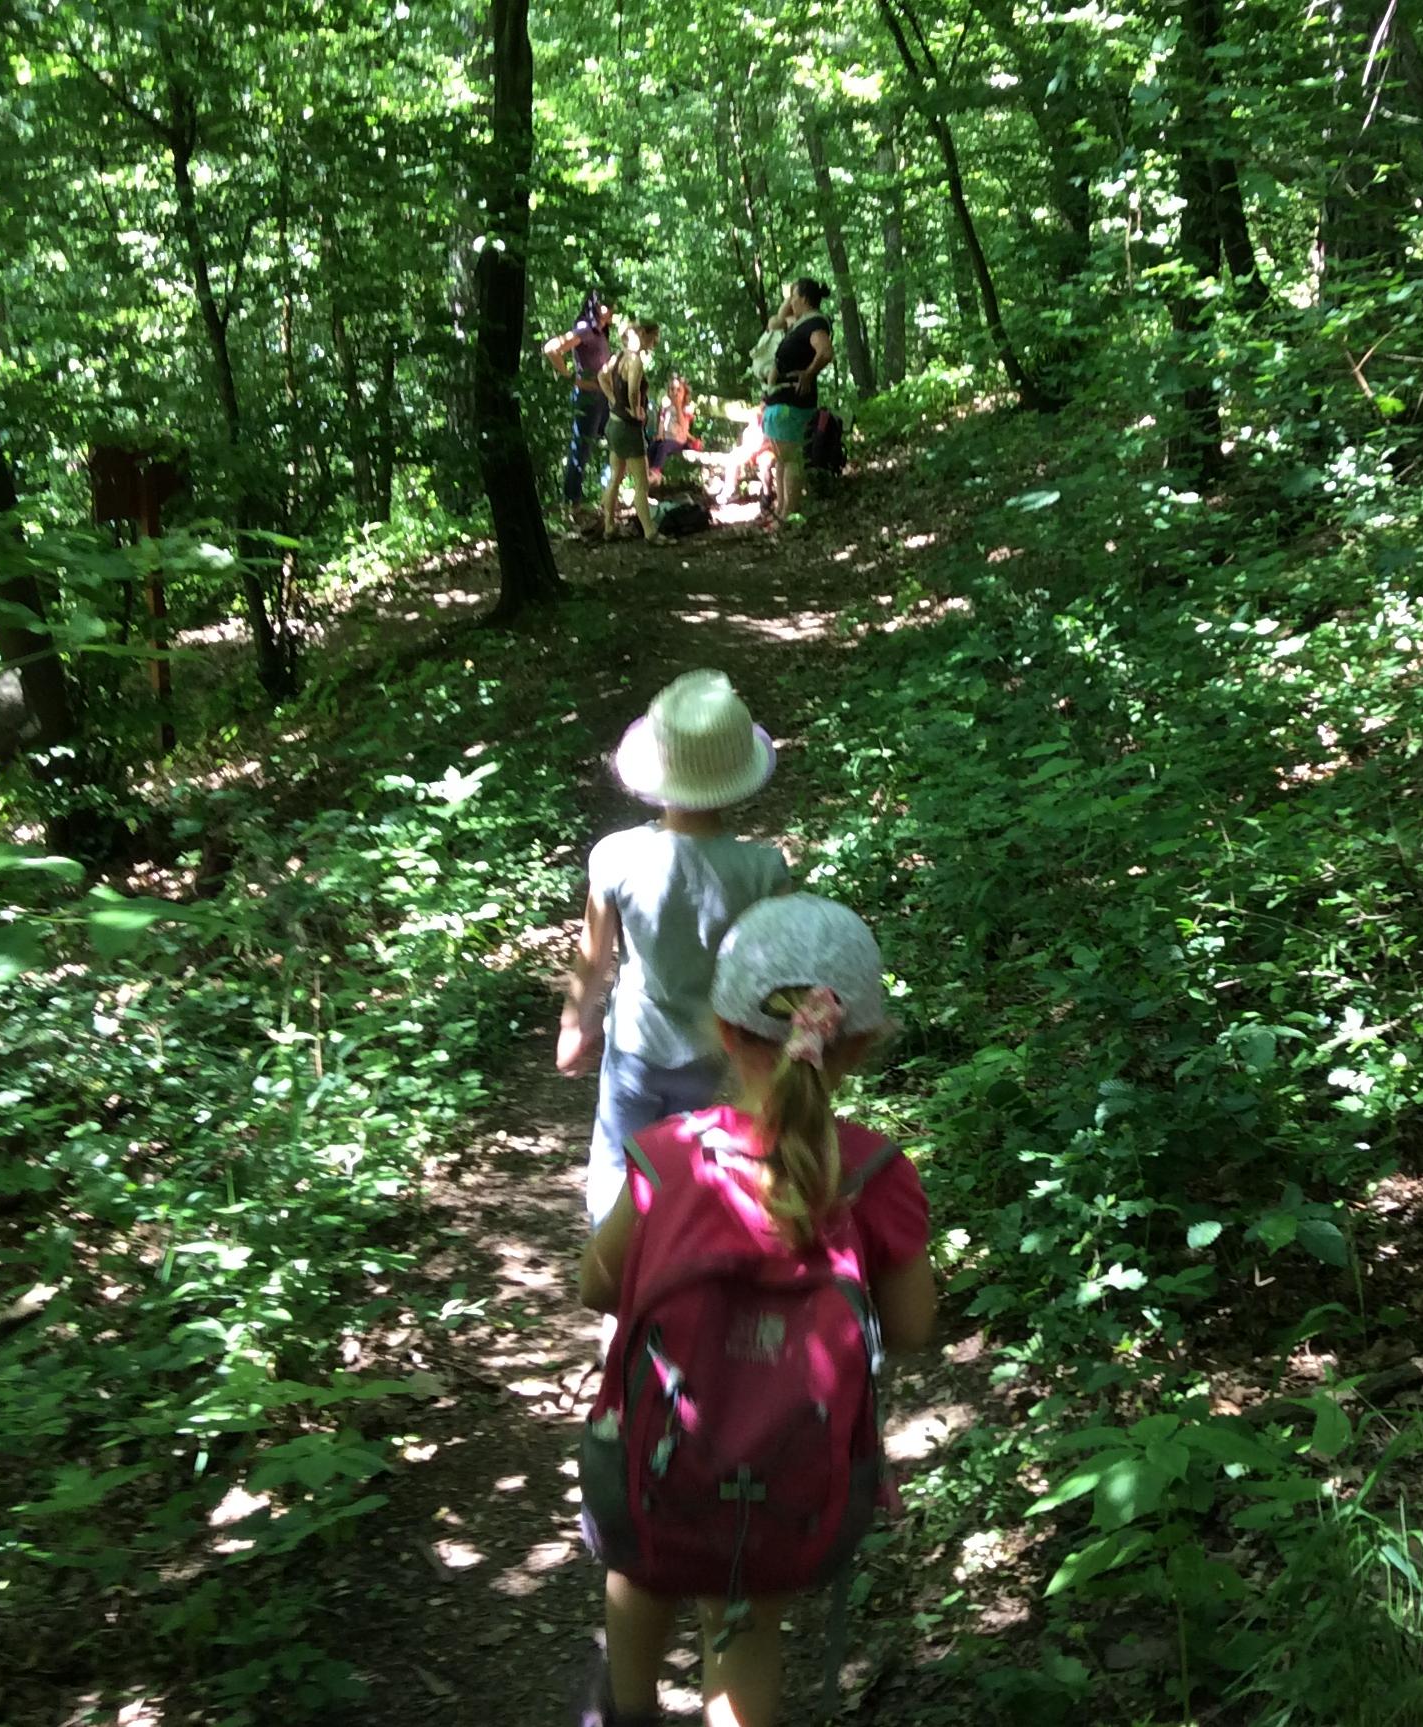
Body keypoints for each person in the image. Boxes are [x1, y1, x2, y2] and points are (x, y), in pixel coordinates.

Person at [577, 894, 935, 1727]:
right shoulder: (877, 1171)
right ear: (863, 1044)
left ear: (724, 1031)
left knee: (638, 1567)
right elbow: (912, 1327)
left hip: (655, 1448)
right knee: (741, 1617)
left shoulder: (668, 1156)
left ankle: (624, 1710)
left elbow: (597, 1287)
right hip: (788, 1476)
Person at [556, 670, 790, 1227]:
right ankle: (686, 1287)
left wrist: (575, 1026)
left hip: (636, 1047)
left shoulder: (615, 857)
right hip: (719, 1055)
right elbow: (775, 975)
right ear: (737, 777)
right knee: (705, 1172)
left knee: (618, 1167)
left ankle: (617, 1288)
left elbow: (593, 957)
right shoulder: (763, 871)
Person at [759, 279, 834, 529]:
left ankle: (790, 515)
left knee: (791, 460)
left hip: (794, 402)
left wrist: (809, 373)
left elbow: (825, 351)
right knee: (782, 460)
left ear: (803, 299)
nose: (790, 303)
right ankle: (781, 511)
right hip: (780, 400)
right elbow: (776, 321)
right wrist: (789, 297)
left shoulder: (815, 323)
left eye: (794, 297)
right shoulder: (799, 323)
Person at [542, 293, 614, 515]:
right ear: (595, 305)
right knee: (581, 449)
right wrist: (570, 377)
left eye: (612, 304)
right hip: (588, 398)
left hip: (604, 397)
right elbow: (552, 348)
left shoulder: (600, 331)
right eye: (605, 304)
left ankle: (607, 497)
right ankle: (571, 504)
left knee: (616, 440)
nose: (610, 308)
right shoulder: (585, 328)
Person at [597, 320, 665, 543]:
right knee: (641, 483)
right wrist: (636, 411)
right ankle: (650, 532)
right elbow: (634, 389)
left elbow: (601, 376)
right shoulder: (635, 360)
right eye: (654, 337)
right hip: (628, 428)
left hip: (614, 424)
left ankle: (608, 527)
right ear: (643, 334)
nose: (656, 341)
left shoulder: (618, 356)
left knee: (615, 478)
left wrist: (612, 399)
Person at [648, 375, 701, 483]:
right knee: (653, 446)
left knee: (663, 447)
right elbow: (662, 421)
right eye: (672, 389)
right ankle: (647, 469)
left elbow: (683, 426)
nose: (675, 392)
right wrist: (660, 434)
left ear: (684, 394)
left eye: (679, 390)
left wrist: (678, 408)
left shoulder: (685, 409)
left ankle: (656, 472)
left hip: (678, 441)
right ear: (668, 392)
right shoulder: (666, 407)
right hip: (666, 438)